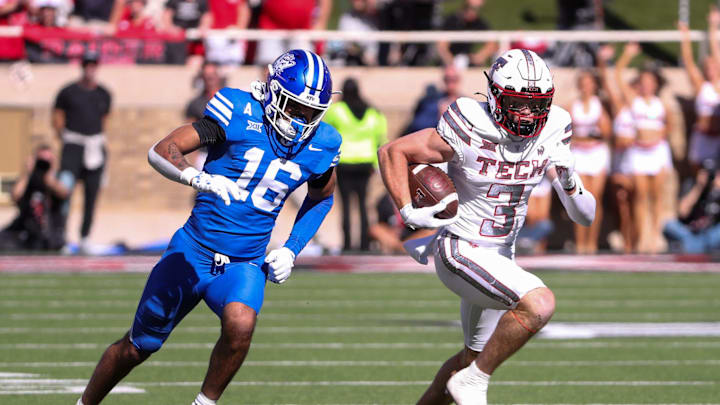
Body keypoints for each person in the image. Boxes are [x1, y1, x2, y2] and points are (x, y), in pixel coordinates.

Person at [75, 49, 340, 405]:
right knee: (139, 347)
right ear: (274, 92)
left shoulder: (323, 143)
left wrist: (292, 248)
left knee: (241, 324)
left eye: (311, 112)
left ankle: (204, 403)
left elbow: (321, 197)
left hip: (245, 263)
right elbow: (163, 149)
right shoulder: (237, 110)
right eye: (295, 107)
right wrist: (199, 179)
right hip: (193, 251)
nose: (302, 119)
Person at [378, 49, 595, 405]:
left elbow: (584, 217)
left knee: (469, 358)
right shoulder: (469, 121)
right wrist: (407, 210)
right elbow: (392, 152)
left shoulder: (555, 126)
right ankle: (475, 382)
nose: (528, 114)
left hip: (500, 256)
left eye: (537, 104)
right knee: (539, 304)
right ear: (495, 96)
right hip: (460, 247)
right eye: (518, 103)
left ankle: (466, 379)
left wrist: (570, 179)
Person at [615, 43, 674, 254]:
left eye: (651, 82)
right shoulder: (635, 101)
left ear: (656, 84)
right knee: (640, 195)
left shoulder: (660, 103)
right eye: (644, 82)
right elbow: (619, 76)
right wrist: (627, 55)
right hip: (639, 152)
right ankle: (642, 238)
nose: (647, 85)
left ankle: (654, 237)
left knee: (656, 196)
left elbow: (669, 125)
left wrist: (661, 134)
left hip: (657, 151)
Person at [52, 52, 112, 253]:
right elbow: (57, 117)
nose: (90, 68)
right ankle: (62, 237)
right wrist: (65, 137)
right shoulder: (68, 92)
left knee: (92, 194)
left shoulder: (104, 93)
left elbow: (105, 119)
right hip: (73, 146)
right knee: (65, 189)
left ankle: (85, 237)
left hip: (94, 147)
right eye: (87, 64)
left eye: (93, 64)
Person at [324, 77, 387, 251]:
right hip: (365, 163)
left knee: (345, 205)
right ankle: (365, 245)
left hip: (344, 162)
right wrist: (376, 163)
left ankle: (347, 245)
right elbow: (380, 137)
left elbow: (325, 133)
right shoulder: (372, 111)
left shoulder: (337, 110)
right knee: (363, 205)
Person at [568, 70, 611, 253]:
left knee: (596, 198)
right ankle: (580, 241)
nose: (586, 87)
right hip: (579, 155)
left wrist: (585, 137)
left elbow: (606, 132)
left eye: (589, 83)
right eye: (583, 83)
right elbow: (569, 134)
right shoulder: (573, 106)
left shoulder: (599, 106)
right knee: (579, 198)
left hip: (596, 155)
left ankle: (592, 241)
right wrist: (585, 138)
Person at [0, 144, 69, 251]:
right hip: (26, 229)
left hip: (49, 232)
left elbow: (64, 193)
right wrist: (27, 172)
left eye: (47, 160)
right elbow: (15, 195)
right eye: (40, 160)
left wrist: (51, 172)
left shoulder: (56, 178)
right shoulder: (28, 180)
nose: (43, 164)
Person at [680, 10, 720, 171]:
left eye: (714, 66)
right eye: (707, 67)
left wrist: (712, 26)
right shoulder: (702, 86)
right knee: (699, 175)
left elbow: (716, 52)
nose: (710, 69)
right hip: (702, 137)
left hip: (718, 137)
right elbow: (688, 61)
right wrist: (685, 37)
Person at [663, 159, 720, 253]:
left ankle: (694, 250)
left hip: (710, 234)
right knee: (669, 225)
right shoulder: (691, 184)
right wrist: (699, 187)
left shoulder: (717, 189)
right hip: (690, 232)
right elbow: (682, 212)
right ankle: (698, 249)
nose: (709, 177)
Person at [436, 0, 497, 69]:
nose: (472, 12)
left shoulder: (478, 22)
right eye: (470, 8)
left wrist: (479, 57)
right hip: (451, 63)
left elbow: (492, 44)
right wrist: (451, 63)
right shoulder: (451, 21)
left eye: (476, 9)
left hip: (467, 61)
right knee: (460, 60)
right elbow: (442, 47)